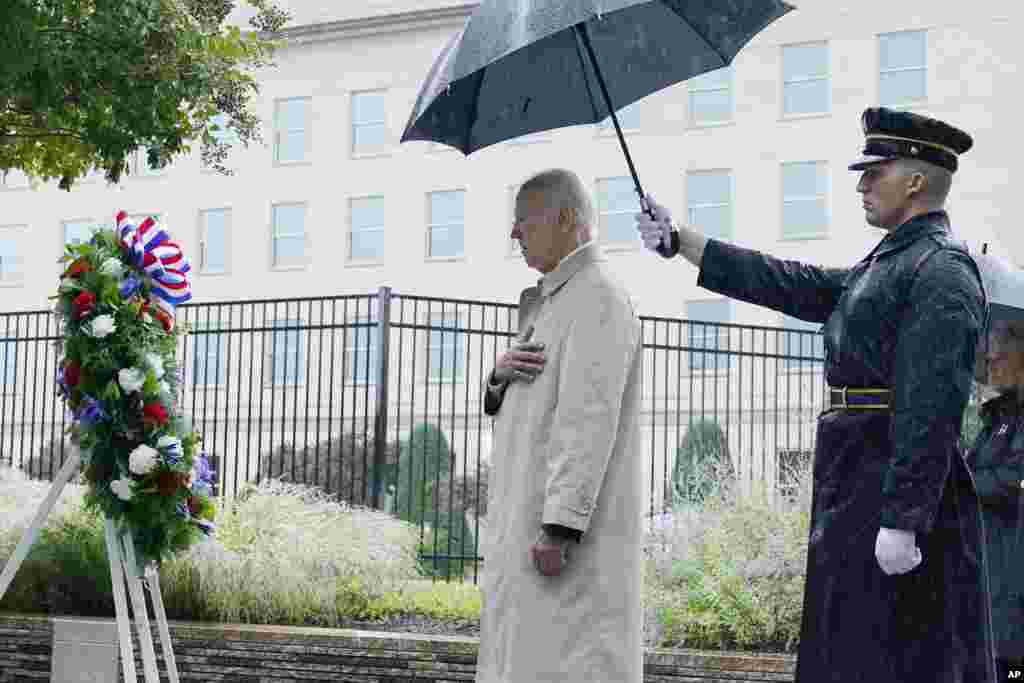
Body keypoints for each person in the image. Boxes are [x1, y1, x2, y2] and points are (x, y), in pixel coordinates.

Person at [636, 107, 996, 682]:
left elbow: (934, 405)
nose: (861, 184)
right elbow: (789, 281)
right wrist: (683, 242)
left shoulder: (941, 268)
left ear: (916, 180)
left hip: (887, 483)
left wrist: (904, 517)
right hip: (857, 474)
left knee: (897, 653)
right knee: (852, 648)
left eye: (874, 172)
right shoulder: (889, 262)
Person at [476, 168, 644, 683]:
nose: (513, 234)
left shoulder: (597, 297)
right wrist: (496, 379)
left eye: (522, 220)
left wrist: (560, 525)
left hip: (560, 541)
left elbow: (587, 417)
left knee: (570, 662)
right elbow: (531, 405)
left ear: (567, 220)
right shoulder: (552, 300)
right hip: (527, 527)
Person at [968, 304, 1024, 682]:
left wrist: (967, 483)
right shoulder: (997, 414)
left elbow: (1012, 478)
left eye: (1001, 346)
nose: (991, 356)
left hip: (1012, 560)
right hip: (990, 559)